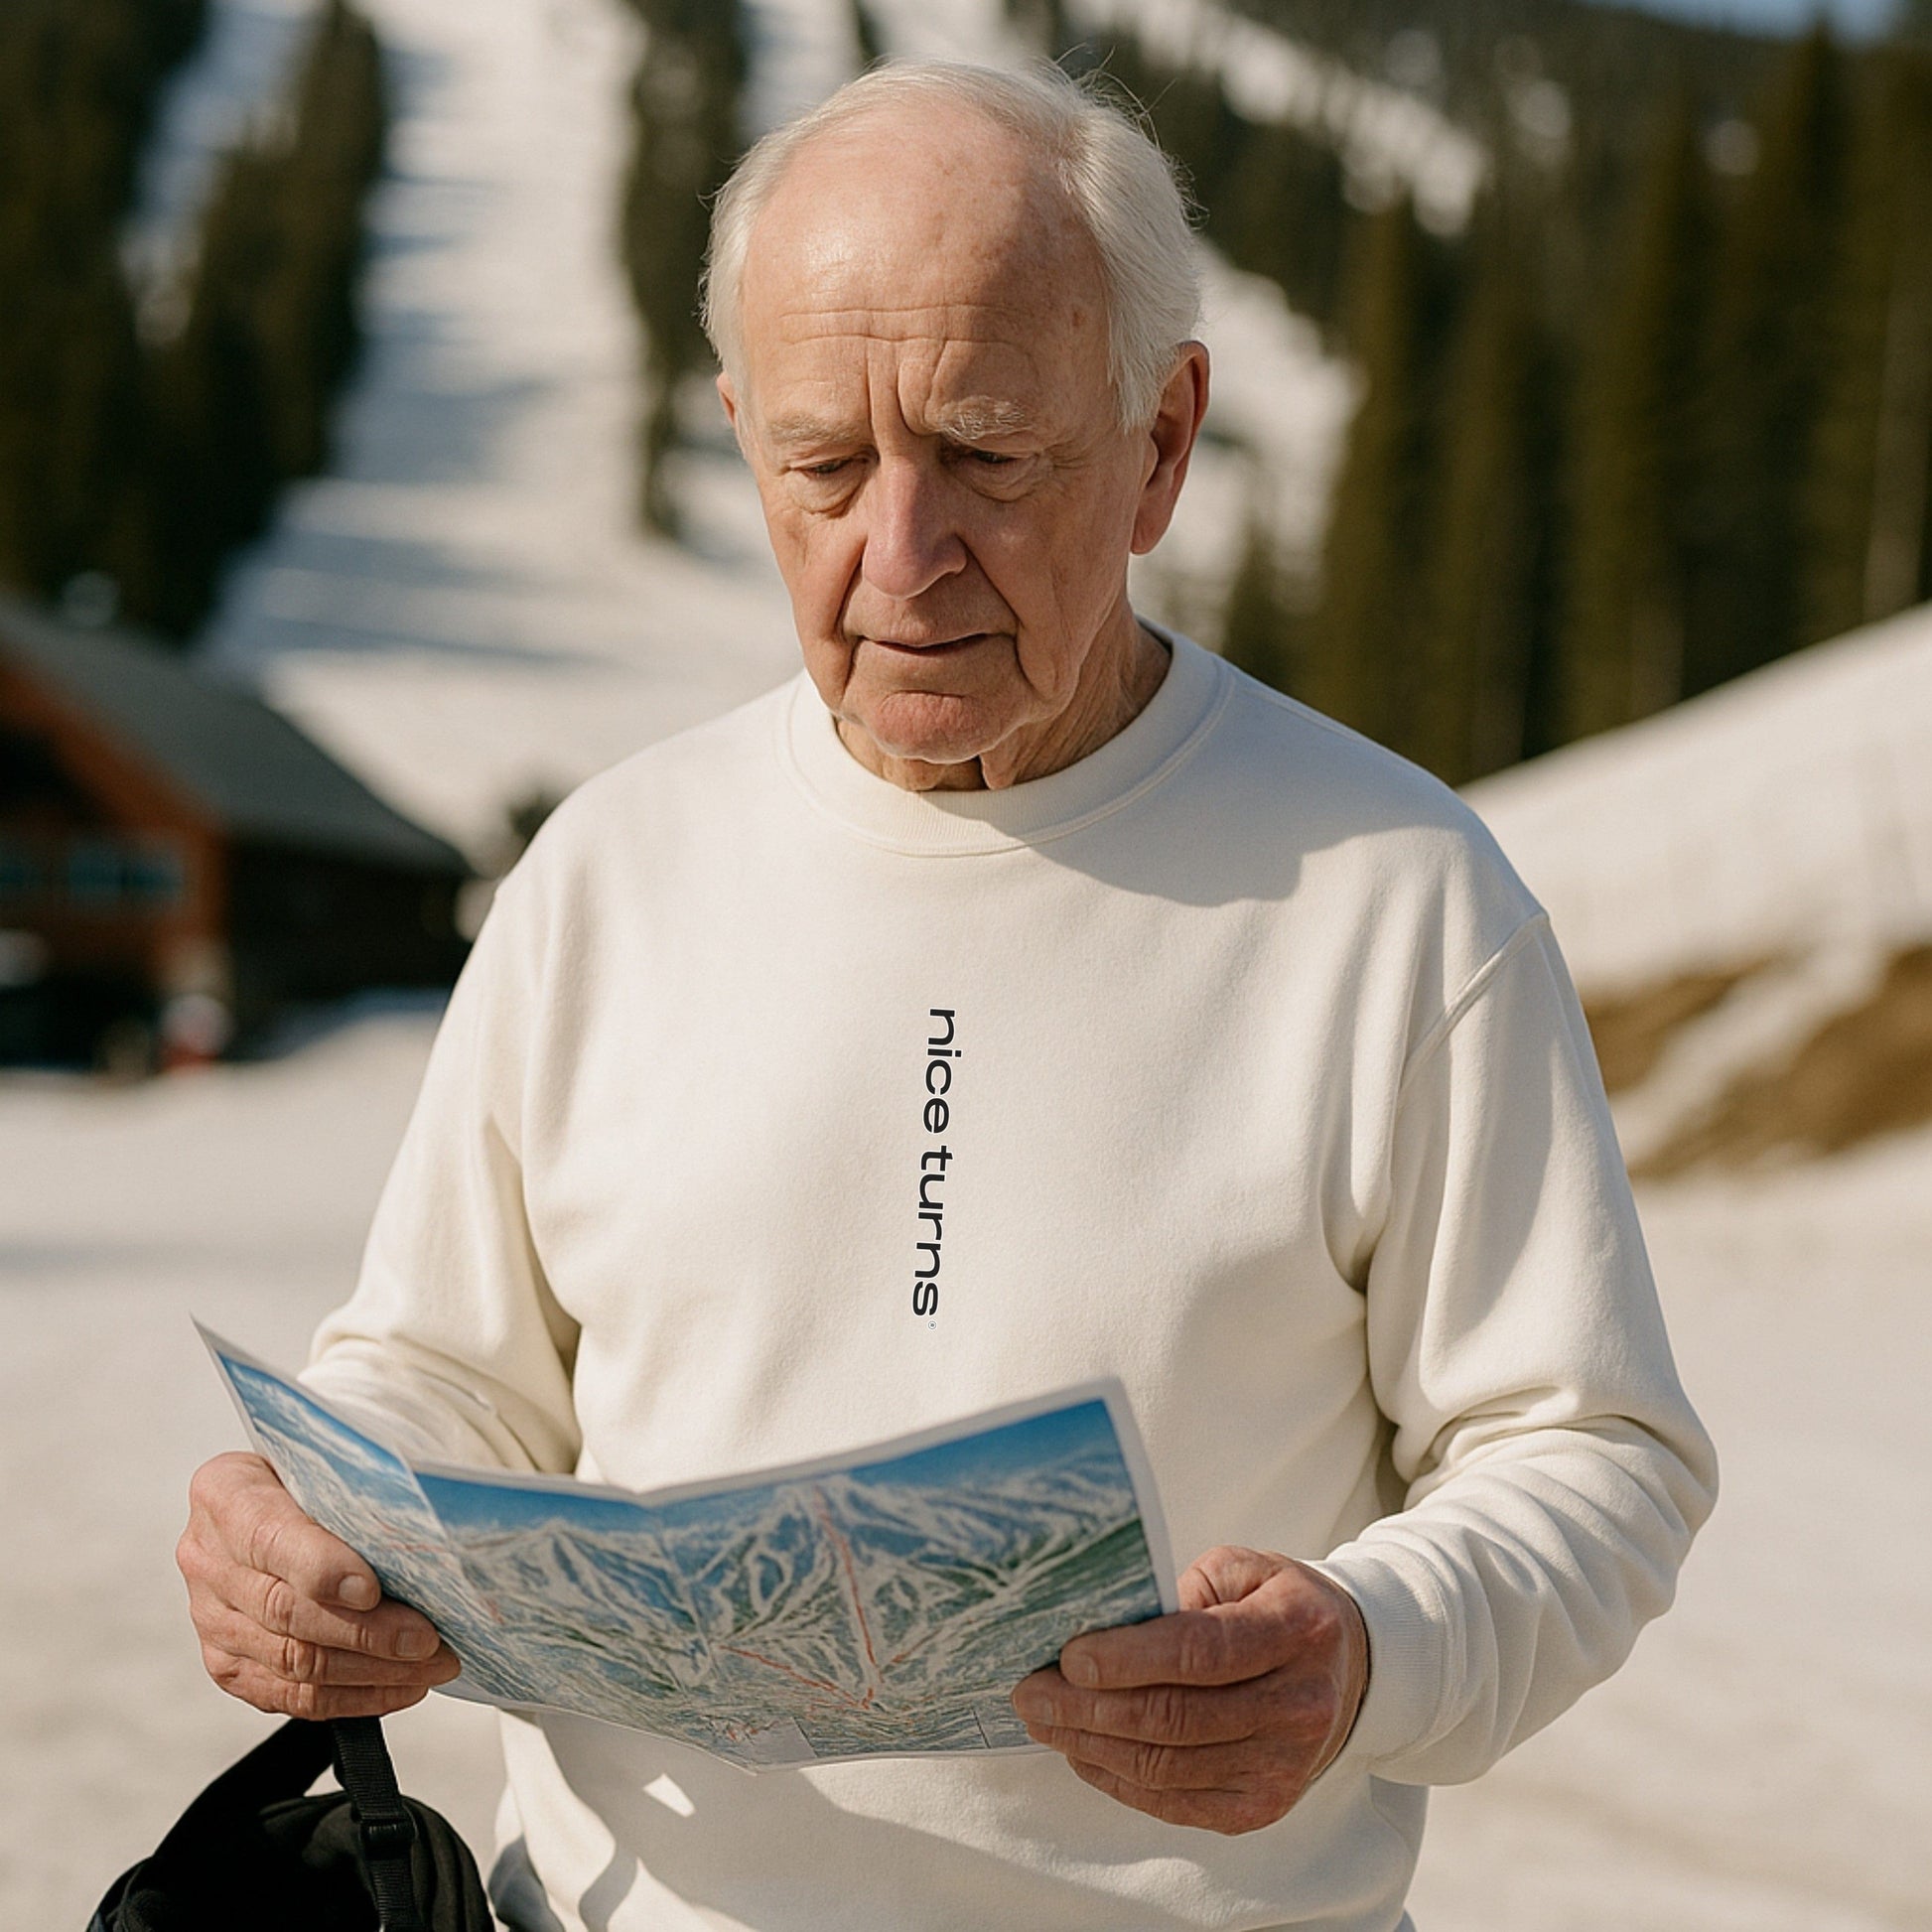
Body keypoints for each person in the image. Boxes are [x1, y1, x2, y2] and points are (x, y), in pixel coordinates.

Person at [176, 61, 1716, 1932]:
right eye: (821, 466)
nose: (896, 561)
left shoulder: (1393, 892)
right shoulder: (608, 869)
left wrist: (1372, 1647)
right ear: (743, 432)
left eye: (989, 454)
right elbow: (438, 1371)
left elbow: (1587, 1448)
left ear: (1160, 441)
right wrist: (311, 1534)